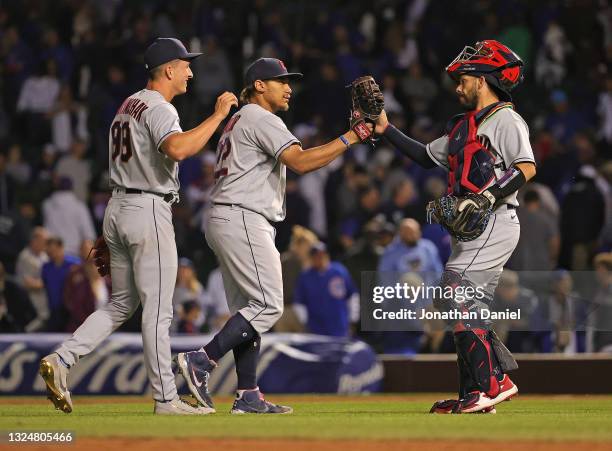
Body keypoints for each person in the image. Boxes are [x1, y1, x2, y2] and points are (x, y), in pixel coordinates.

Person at [39, 37, 238, 415]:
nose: (190, 71)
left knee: (121, 303)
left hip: (119, 205)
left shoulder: (126, 106)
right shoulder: (160, 107)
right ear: (167, 69)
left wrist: (114, 226)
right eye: (185, 65)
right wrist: (217, 116)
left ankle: (62, 360)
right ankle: (165, 399)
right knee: (158, 310)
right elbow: (178, 149)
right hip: (146, 207)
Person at [175, 57, 369, 414]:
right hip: (243, 216)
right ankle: (201, 361)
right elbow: (301, 162)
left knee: (248, 312)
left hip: (227, 217)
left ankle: (248, 394)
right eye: (281, 81)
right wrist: (351, 137)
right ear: (260, 86)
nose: (289, 87)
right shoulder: (260, 117)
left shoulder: (238, 120)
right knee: (268, 305)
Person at [374, 40, 536, 413]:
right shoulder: (467, 127)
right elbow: (424, 155)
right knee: (462, 304)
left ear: (482, 80)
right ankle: (477, 393)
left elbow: (526, 167)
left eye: (463, 78)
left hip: (496, 219)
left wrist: (486, 198)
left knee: (455, 295)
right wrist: (385, 129)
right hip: (471, 230)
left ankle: (492, 384)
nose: (457, 85)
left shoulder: (507, 119)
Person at [294, 242, 359, 337]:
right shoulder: (305, 276)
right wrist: (305, 322)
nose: (320, 259)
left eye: (322, 255)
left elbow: (352, 295)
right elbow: (299, 302)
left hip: (340, 325)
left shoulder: (339, 271)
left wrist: (353, 318)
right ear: (311, 259)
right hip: (316, 328)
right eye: (316, 256)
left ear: (327, 255)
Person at [15, 227, 50, 332]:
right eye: (44, 241)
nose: (46, 244)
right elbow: (28, 283)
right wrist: (49, 282)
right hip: (30, 302)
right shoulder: (25, 257)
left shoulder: (44, 256)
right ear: (34, 241)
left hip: (44, 301)